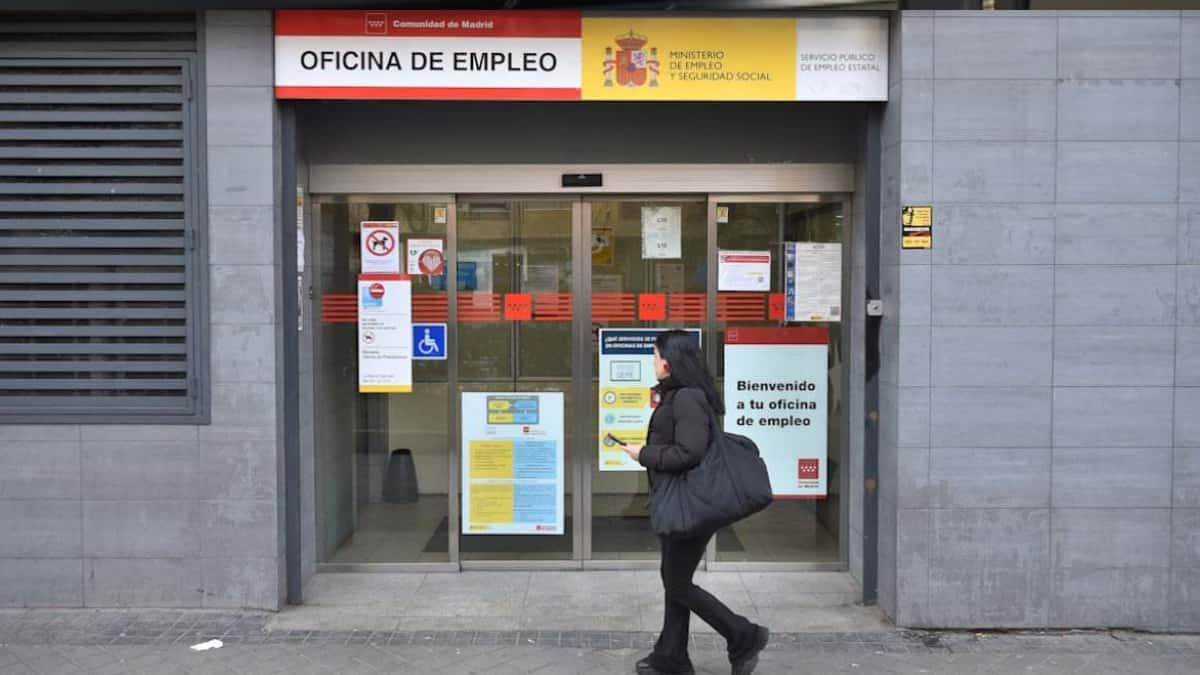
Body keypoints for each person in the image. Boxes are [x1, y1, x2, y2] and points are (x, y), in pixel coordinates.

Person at [621, 330, 769, 675]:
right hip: (679, 500)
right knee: (673, 577)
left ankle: (743, 635)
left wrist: (644, 454)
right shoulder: (680, 394)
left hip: (690, 502)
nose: (653, 361)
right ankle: (671, 656)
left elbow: (689, 452)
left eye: (656, 355)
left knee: (676, 582)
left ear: (670, 361)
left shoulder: (687, 397)